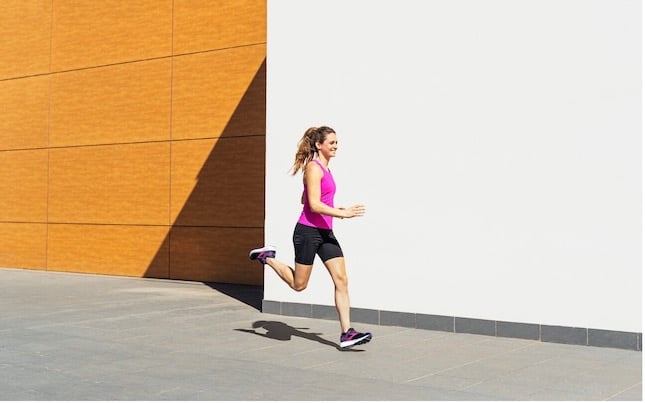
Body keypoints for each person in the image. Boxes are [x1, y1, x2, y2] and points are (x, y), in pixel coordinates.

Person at [249, 126, 372, 348]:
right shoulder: (313, 169)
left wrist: (334, 209)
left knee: (342, 280)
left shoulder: (326, 169)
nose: (336, 146)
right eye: (332, 142)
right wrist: (342, 213)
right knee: (299, 285)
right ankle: (267, 257)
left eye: (337, 143)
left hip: (325, 233)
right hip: (307, 232)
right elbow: (314, 205)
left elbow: (305, 200)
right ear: (319, 145)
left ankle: (347, 333)